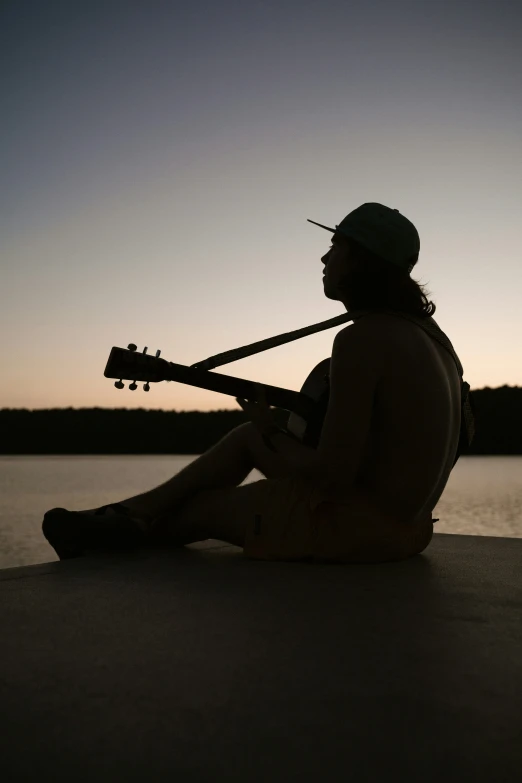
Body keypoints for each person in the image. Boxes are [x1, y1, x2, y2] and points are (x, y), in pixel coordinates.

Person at [42, 203, 461, 563]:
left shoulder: (362, 339)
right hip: (412, 532)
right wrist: (267, 433)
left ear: (361, 260)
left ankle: (108, 527)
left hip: (353, 532)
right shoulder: (435, 342)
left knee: (198, 510)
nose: (324, 259)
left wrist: (271, 435)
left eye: (336, 247)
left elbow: (333, 476)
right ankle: (127, 513)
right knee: (247, 437)